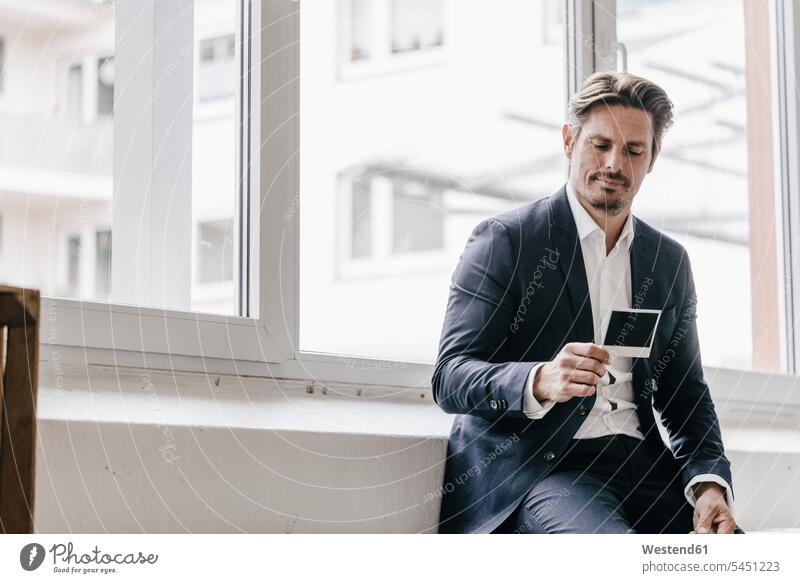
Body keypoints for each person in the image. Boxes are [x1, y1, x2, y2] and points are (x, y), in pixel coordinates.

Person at [432, 71, 741, 534]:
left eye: (634, 151)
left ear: (652, 158)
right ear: (568, 141)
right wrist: (539, 380)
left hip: (644, 468)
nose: (615, 164)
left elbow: (686, 394)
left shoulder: (668, 261)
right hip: (546, 471)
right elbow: (449, 377)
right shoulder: (506, 241)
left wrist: (708, 482)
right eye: (600, 145)